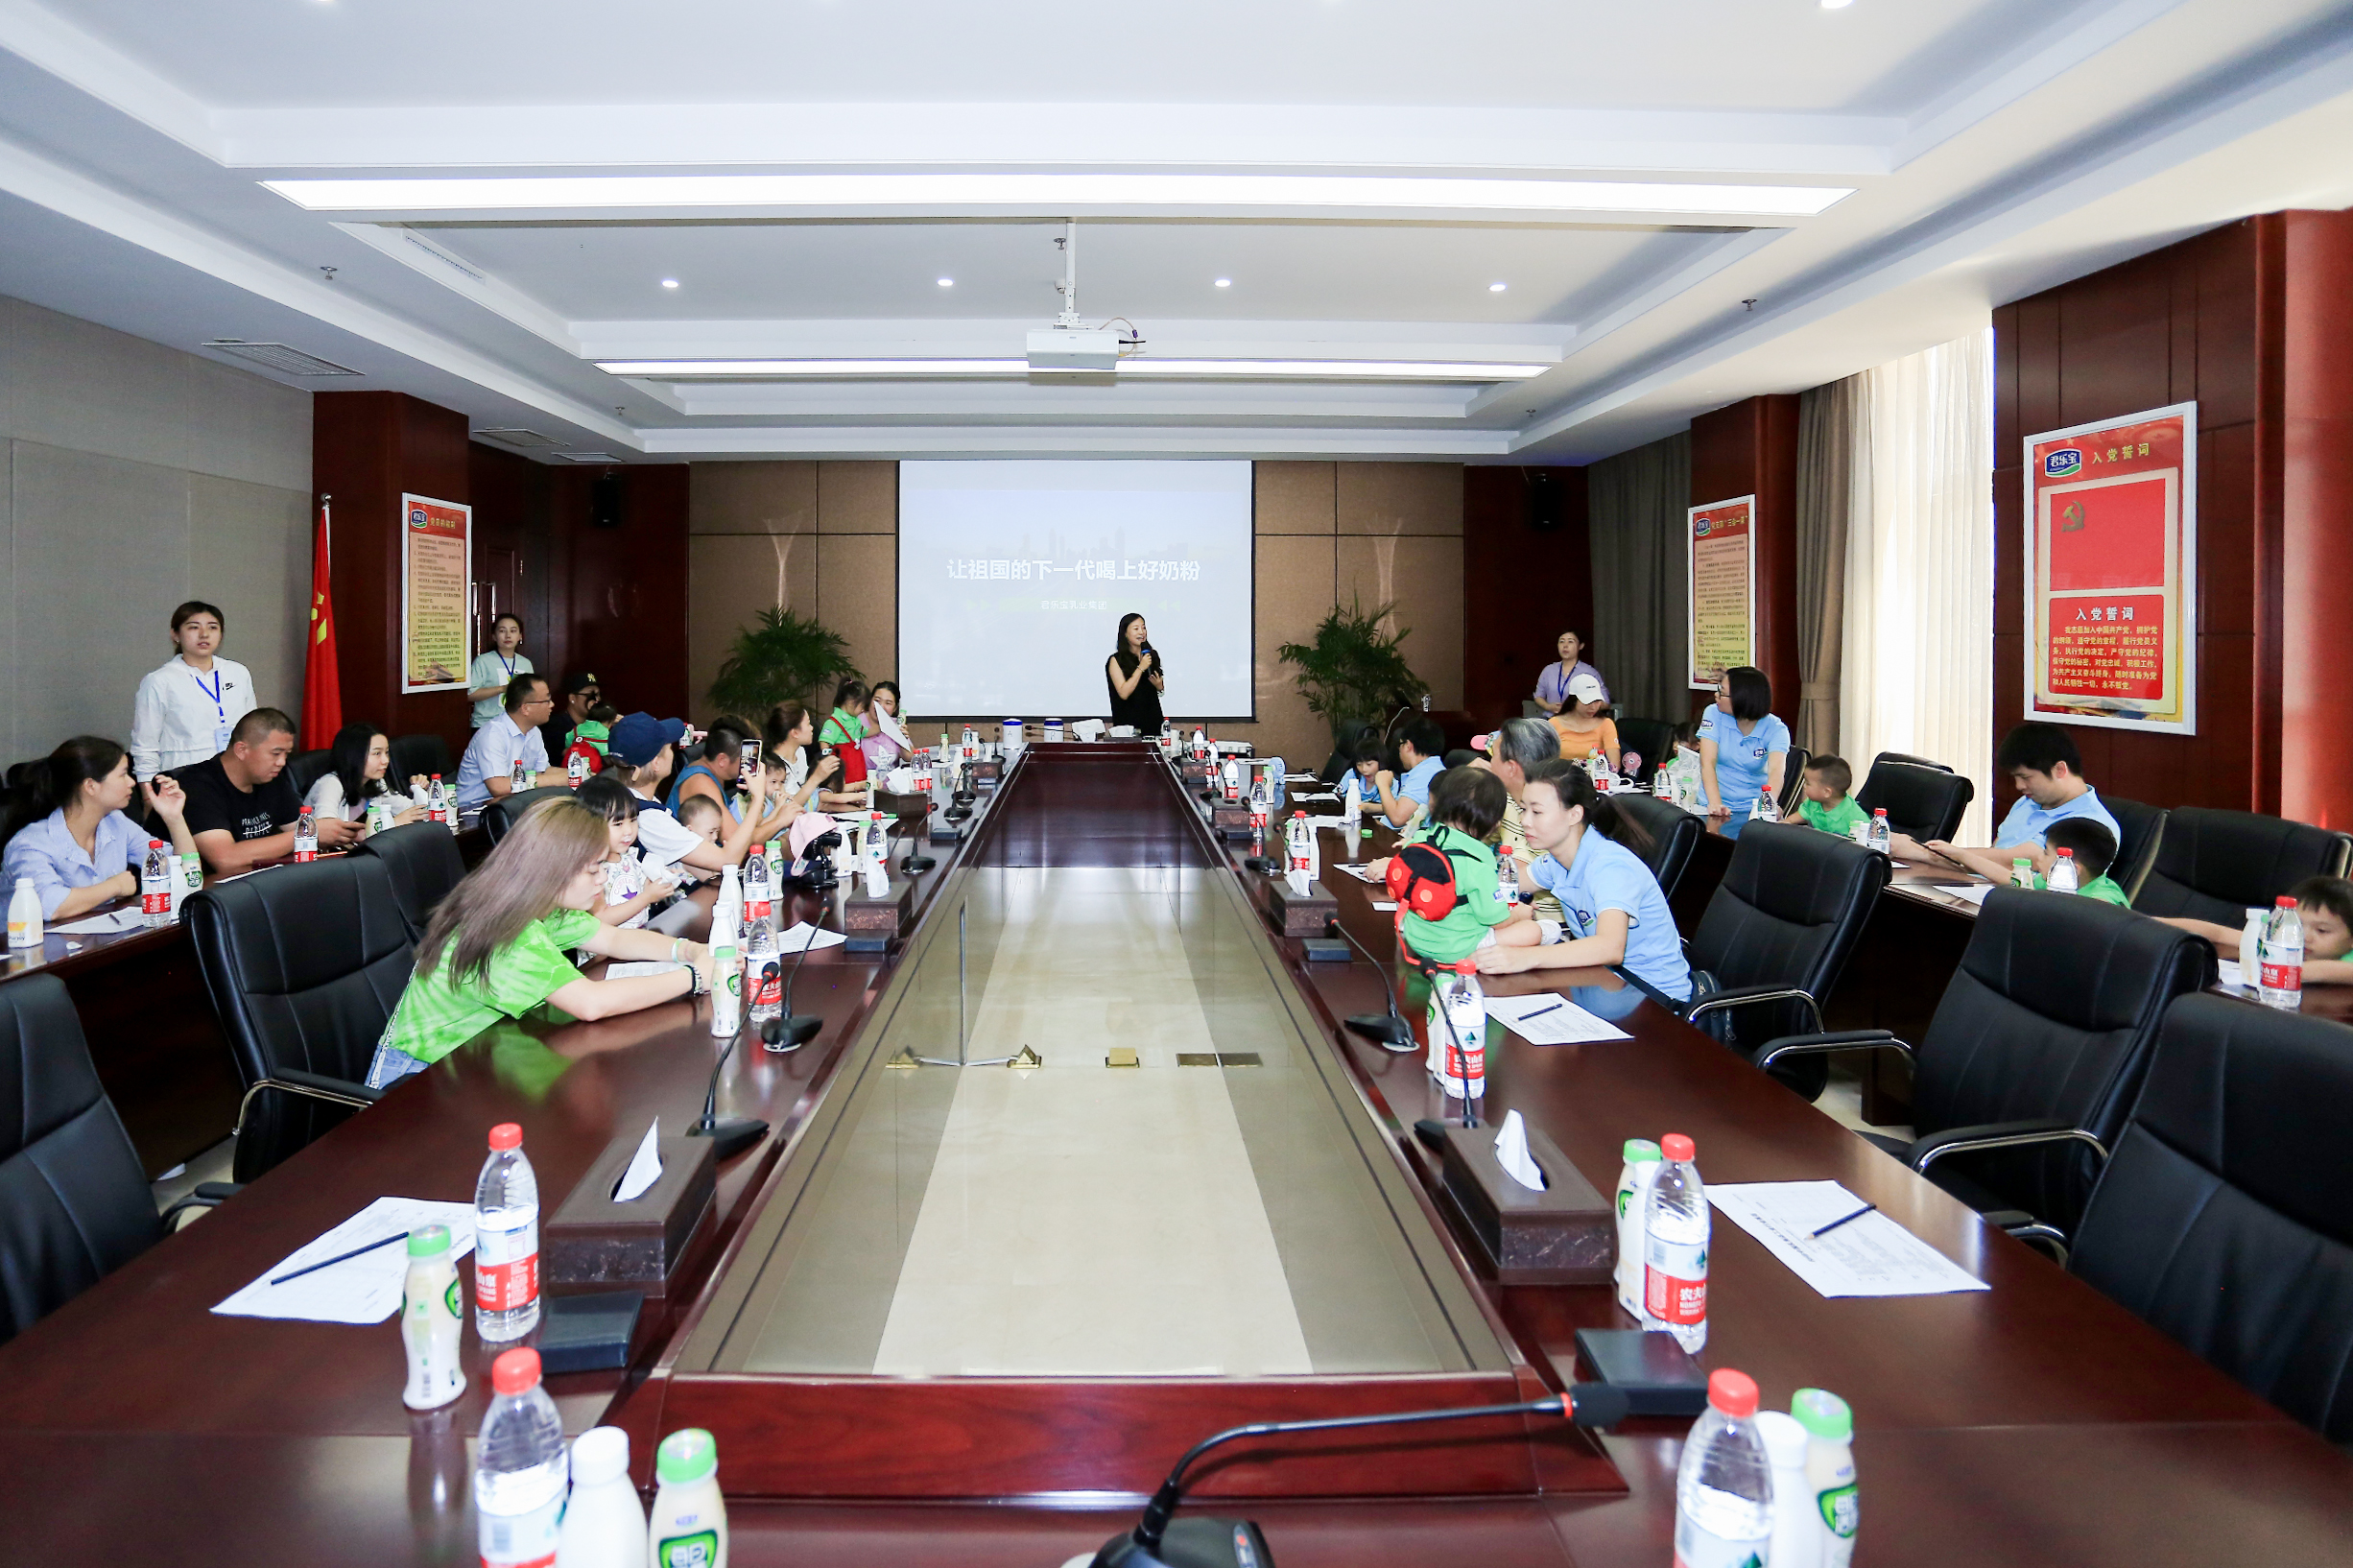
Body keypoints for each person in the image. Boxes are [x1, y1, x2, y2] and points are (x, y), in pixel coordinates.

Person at [364, 798, 719, 1088]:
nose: (602, 879)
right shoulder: (506, 931)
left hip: (480, 1055)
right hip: (416, 1076)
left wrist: (689, 950)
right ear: (554, 870)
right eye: (594, 869)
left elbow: (614, 938)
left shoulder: (539, 904)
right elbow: (591, 1003)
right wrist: (695, 976)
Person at [1481, 761, 1692, 1001]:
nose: (1524, 820)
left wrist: (1525, 957)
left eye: (1536, 812)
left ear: (1574, 814)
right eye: (1523, 808)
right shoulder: (1557, 861)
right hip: (1602, 983)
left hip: (1653, 996)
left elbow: (1610, 948)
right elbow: (1500, 886)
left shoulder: (1610, 867)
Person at [0, 737, 198, 920]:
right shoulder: (30, 843)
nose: (131, 782)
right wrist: (115, 886)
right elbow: (48, 905)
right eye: (123, 775)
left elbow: (187, 873)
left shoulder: (116, 823)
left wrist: (174, 818)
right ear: (91, 786)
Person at [1890, 722, 2120, 874]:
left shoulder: (2091, 823)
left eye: (2026, 777)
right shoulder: (2028, 802)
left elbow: (2014, 861)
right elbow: (1992, 855)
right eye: (2015, 778)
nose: (2019, 786)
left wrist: (1922, 852)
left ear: (2060, 770)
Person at [178, 707, 359, 873]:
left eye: (286, 754)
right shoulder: (198, 785)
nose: (282, 762)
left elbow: (297, 825)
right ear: (241, 750)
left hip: (265, 878)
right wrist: (307, 834)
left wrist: (343, 833)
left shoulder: (270, 777)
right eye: (276, 753)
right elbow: (226, 859)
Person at [604, 711, 782, 875]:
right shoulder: (647, 817)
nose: (672, 753)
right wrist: (758, 797)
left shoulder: (635, 802)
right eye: (669, 748)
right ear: (656, 763)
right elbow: (727, 861)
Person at [1392, 765, 1515, 969]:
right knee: (1534, 930)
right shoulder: (1479, 866)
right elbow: (1497, 921)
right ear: (1495, 823)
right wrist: (1521, 914)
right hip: (1458, 950)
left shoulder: (1418, 841)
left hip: (1414, 939)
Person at [130, 600, 257, 779]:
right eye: (194, 627)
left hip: (237, 775)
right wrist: (148, 790)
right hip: (184, 778)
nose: (204, 634)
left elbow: (254, 729)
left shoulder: (238, 672)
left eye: (213, 627)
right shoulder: (159, 681)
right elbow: (145, 746)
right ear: (175, 635)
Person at [2159, 874, 2353, 984]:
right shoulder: (2282, 941)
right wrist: (2150, 923)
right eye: (2295, 924)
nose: (2304, 937)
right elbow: (2219, 933)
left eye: (2322, 931)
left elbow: (2320, 971)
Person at [1482, 718, 1565, 926]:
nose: (1489, 761)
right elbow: (1471, 841)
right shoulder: (1507, 800)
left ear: (1511, 768)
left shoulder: (1552, 816)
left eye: (1493, 755)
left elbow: (1510, 877)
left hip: (1544, 925)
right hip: (1503, 909)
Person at [577, 773, 678, 927]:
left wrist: (659, 884)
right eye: (618, 824)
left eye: (633, 820)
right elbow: (601, 918)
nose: (629, 831)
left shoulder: (629, 856)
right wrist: (647, 897)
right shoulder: (592, 871)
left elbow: (641, 891)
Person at [455, 674, 566, 815]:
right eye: (546, 701)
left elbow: (542, 771)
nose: (552, 705)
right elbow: (498, 787)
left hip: (509, 803)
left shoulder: (533, 731)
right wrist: (555, 780)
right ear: (525, 708)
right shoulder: (492, 734)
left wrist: (579, 775)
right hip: (473, 810)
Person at [1698, 666, 1789, 835]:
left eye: (1722, 693)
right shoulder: (1713, 713)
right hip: (1711, 805)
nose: (1716, 695)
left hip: (1751, 810)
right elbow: (1707, 763)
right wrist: (1716, 805)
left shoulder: (1776, 729)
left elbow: (1776, 771)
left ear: (1741, 699)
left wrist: (1768, 805)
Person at [305, 723, 431, 830]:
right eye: (377, 753)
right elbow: (329, 831)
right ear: (354, 756)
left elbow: (414, 811)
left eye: (386, 753)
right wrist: (392, 823)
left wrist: (419, 789)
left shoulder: (375, 782)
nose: (385, 760)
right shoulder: (330, 784)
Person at [765, 701, 859, 814]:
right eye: (808, 724)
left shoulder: (800, 752)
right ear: (795, 733)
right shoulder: (773, 766)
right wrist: (816, 777)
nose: (812, 728)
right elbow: (787, 809)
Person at [1371, 718, 1446, 829]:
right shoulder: (1428, 768)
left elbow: (1397, 818)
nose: (1399, 751)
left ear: (1408, 745)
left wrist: (1383, 784)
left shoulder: (1427, 774)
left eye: (1400, 745)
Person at [464, 613, 535, 730]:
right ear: (494, 636)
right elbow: (469, 694)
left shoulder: (525, 663)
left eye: (513, 631)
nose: (508, 636)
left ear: (520, 636)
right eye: (502, 631)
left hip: (518, 725)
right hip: (487, 725)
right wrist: (502, 689)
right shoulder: (483, 661)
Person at [667, 725, 750, 822]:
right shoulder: (701, 783)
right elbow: (734, 832)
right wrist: (758, 797)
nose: (744, 765)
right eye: (741, 760)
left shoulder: (712, 773)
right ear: (722, 760)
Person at [1547, 673, 1621, 772]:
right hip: (1561, 776)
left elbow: (1614, 765)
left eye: (1597, 701)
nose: (1593, 707)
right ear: (1574, 701)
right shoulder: (1554, 724)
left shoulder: (1606, 724)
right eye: (1587, 702)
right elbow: (1545, 761)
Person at [1107, 612, 1166, 731]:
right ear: (1125, 633)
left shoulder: (1151, 655)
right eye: (1136, 629)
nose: (1141, 632)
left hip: (1154, 722)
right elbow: (1123, 693)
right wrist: (1141, 668)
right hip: (1128, 726)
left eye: (1143, 628)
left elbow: (1156, 688)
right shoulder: (1116, 660)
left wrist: (1159, 687)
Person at [1533, 630, 1607, 717]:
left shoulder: (1589, 672)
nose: (1565, 646)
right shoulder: (1548, 670)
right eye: (1561, 641)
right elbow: (1538, 696)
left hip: (1579, 720)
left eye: (1570, 641)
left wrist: (1581, 708)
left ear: (1581, 646)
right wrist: (1548, 706)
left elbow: (1605, 703)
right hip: (1551, 719)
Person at [818, 680, 874, 792]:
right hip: (844, 765)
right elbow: (824, 742)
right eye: (862, 706)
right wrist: (828, 761)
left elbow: (866, 732)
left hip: (856, 763)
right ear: (851, 702)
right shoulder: (834, 721)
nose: (863, 710)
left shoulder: (855, 721)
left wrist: (886, 728)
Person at [1796, 755, 1865, 839]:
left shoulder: (1856, 817)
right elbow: (1796, 818)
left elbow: (1866, 840)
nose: (1804, 786)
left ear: (1827, 792)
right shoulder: (1813, 802)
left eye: (1808, 783)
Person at [541, 671, 602, 759]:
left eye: (598, 695)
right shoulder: (555, 726)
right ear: (572, 698)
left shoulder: (598, 723)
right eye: (590, 695)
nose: (596, 699)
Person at [861, 680, 915, 773]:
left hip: (891, 782)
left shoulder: (897, 724)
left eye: (888, 703)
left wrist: (901, 739)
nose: (881, 706)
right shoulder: (856, 722)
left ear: (895, 708)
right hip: (862, 782)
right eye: (877, 701)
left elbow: (910, 757)